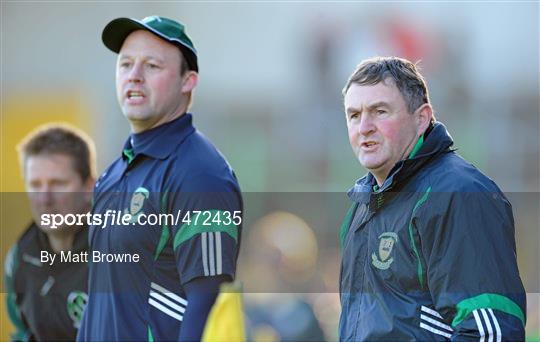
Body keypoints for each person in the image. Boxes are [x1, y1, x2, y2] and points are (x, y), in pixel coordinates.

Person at [77, 16, 243, 341]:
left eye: (152, 66)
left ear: (188, 81)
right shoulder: (113, 174)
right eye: (125, 65)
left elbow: (208, 302)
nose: (134, 76)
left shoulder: (200, 174)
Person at [339, 56, 526, 340]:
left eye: (379, 111)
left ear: (422, 118)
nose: (364, 127)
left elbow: (491, 332)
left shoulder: (457, 194)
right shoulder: (362, 205)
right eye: (354, 115)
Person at [5, 124, 95, 341]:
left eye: (58, 184)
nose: (44, 199)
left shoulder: (121, 253)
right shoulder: (20, 257)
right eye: (35, 185)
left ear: (89, 187)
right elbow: (22, 332)